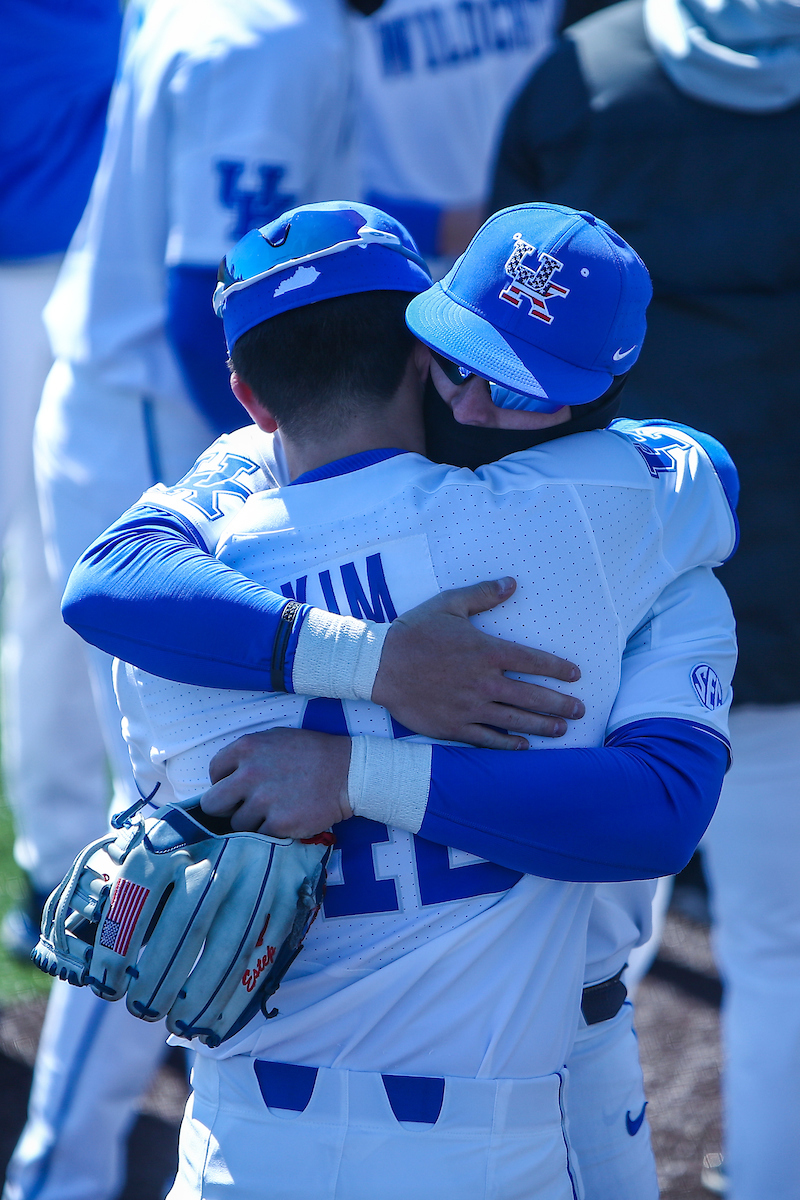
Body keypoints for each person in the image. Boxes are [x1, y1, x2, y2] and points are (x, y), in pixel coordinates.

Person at [66, 200, 736, 1198]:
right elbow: (704, 475)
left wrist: (352, 765)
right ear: (419, 346)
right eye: (467, 371)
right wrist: (376, 664)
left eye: (522, 392)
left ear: (247, 395)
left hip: (244, 1145)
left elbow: (103, 585)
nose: (477, 411)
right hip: (496, 1133)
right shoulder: (611, 516)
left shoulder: (197, 575)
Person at [4, 4, 357, 1199]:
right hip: (159, 423)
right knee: (178, 831)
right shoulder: (267, 41)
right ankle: (62, 1171)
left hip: (115, 405)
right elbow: (197, 308)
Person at [491, 3, 800, 1194]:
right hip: (778, 594)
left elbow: (500, 346)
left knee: (569, 946)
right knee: (776, 947)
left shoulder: (589, 73)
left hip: (595, 581)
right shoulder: (585, 72)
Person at [0, 0, 121, 960]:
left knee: (67, 570)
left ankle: (67, 854)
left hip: (98, 275)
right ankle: (57, 859)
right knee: (52, 572)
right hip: (22, 281)